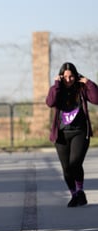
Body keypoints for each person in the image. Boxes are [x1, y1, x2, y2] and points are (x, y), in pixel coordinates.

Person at [46, 62, 98, 207]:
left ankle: (80, 191)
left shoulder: (81, 88)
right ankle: (74, 194)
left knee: (75, 162)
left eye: (71, 77)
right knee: (66, 167)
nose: (68, 80)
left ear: (76, 76)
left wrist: (89, 83)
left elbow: (96, 99)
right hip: (61, 134)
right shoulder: (57, 89)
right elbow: (50, 102)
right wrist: (56, 84)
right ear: (61, 76)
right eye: (65, 77)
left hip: (79, 132)